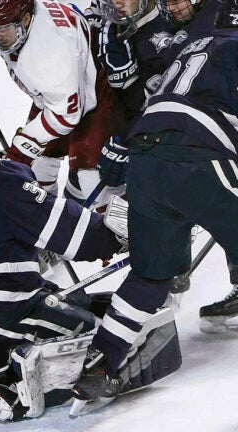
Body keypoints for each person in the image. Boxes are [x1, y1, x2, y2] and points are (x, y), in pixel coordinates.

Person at [0, 107, 136, 420]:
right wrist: (115, 236)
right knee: (87, 328)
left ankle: (15, 356)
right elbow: (66, 230)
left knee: (78, 299)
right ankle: (10, 384)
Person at [72, 0, 238, 413]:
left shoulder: (196, 44)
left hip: (144, 155)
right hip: (196, 152)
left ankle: (100, 363)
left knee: (150, 275)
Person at [95, 0, 238, 332]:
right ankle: (162, 284)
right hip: (168, 130)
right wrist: (123, 135)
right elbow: (132, 95)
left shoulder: (219, 13)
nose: (172, 7)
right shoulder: (142, 31)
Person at [0, 0, 125, 207]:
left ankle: (116, 232)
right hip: (57, 94)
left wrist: (19, 151)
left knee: (92, 179)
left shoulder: (48, 52)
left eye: (3, 29)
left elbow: (65, 115)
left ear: (26, 19)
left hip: (97, 92)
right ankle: (41, 218)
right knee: (35, 169)